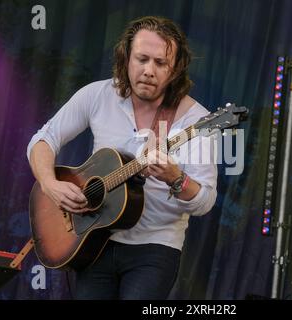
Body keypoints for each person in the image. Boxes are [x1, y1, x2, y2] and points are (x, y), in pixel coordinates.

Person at [27, 16, 217, 299]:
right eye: (142, 59)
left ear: (175, 69)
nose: (149, 70)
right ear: (126, 58)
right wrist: (50, 185)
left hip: (155, 248)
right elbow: (43, 140)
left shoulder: (196, 120)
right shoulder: (97, 95)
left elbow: (205, 201)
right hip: (93, 240)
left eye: (160, 63)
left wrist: (175, 178)